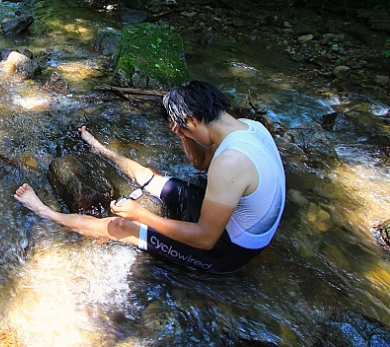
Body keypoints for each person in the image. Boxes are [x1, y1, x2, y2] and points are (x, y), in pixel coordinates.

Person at [14, 80, 285, 273]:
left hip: (229, 251)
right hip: (239, 223)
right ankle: (100, 149)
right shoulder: (250, 127)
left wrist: (139, 214)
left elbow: (205, 239)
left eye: (182, 128)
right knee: (153, 178)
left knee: (123, 228)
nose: (181, 133)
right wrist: (184, 134)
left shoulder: (230, 162)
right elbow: (200, 163)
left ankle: (45, 212)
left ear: (192, 119)